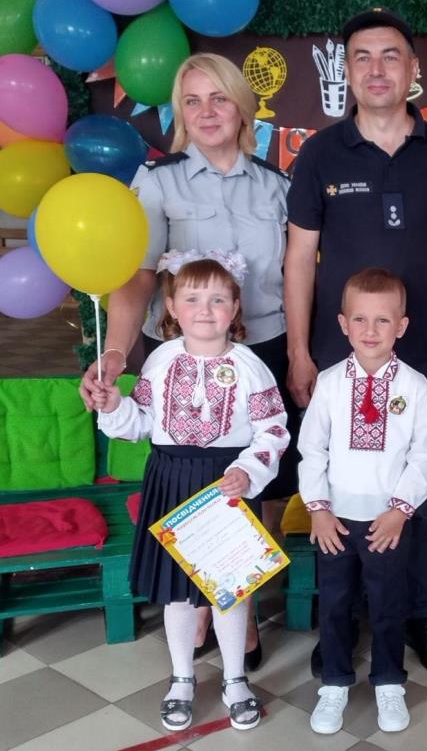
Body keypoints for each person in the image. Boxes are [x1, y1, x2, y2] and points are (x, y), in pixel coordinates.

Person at [79, 52, 298, 669]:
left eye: (219, 98)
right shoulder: (158, 181)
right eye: (193, 101)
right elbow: (138, 277)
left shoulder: (278, 185)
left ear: (243, 107)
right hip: (182, 354)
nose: (207, 112)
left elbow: (297, 277)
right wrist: (115, 352)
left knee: (257, 485)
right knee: (189, 479)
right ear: (180, 113)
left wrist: (301, 353)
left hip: (261, 348)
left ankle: (238, 605)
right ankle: (199, 602)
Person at [286, 8, 427, 676]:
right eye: (361, 56)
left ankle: (417, 613)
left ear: (413, 69)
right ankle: (342, 620)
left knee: (414, 491)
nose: (376, 68)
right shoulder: (321, 153)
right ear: (347, 71)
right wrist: (301, 353)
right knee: (336, 485)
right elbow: (299, 260)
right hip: (340, 356)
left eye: (391, 55)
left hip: (424, 355)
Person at [89, 252, 290, 731]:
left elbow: (273, 430)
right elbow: (140, 423)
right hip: (171, 482)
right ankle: (182, 678)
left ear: (235, 308)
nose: (205, 309)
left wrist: (248, 471)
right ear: (172, 307)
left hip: (228, 487)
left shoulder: (250, 366)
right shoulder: (160, 360)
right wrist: (114, 406)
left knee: (229, 592)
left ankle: (235, 679)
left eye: (218, 299)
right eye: (193, 298)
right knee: (177, 594)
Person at [298, 268, 427, 734]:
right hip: (335, 521)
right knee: (335, 603)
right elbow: (312, 450)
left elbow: (423, 455)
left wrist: (400, 510)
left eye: (383, 320)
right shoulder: (330, 383)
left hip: (387, 522)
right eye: (360, 319)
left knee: (388, 603)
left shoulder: (414, 386)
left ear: (401, 326)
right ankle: (334, 683)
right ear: (343, 324)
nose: (371, 330)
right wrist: (318, 508)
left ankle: (389, 682)